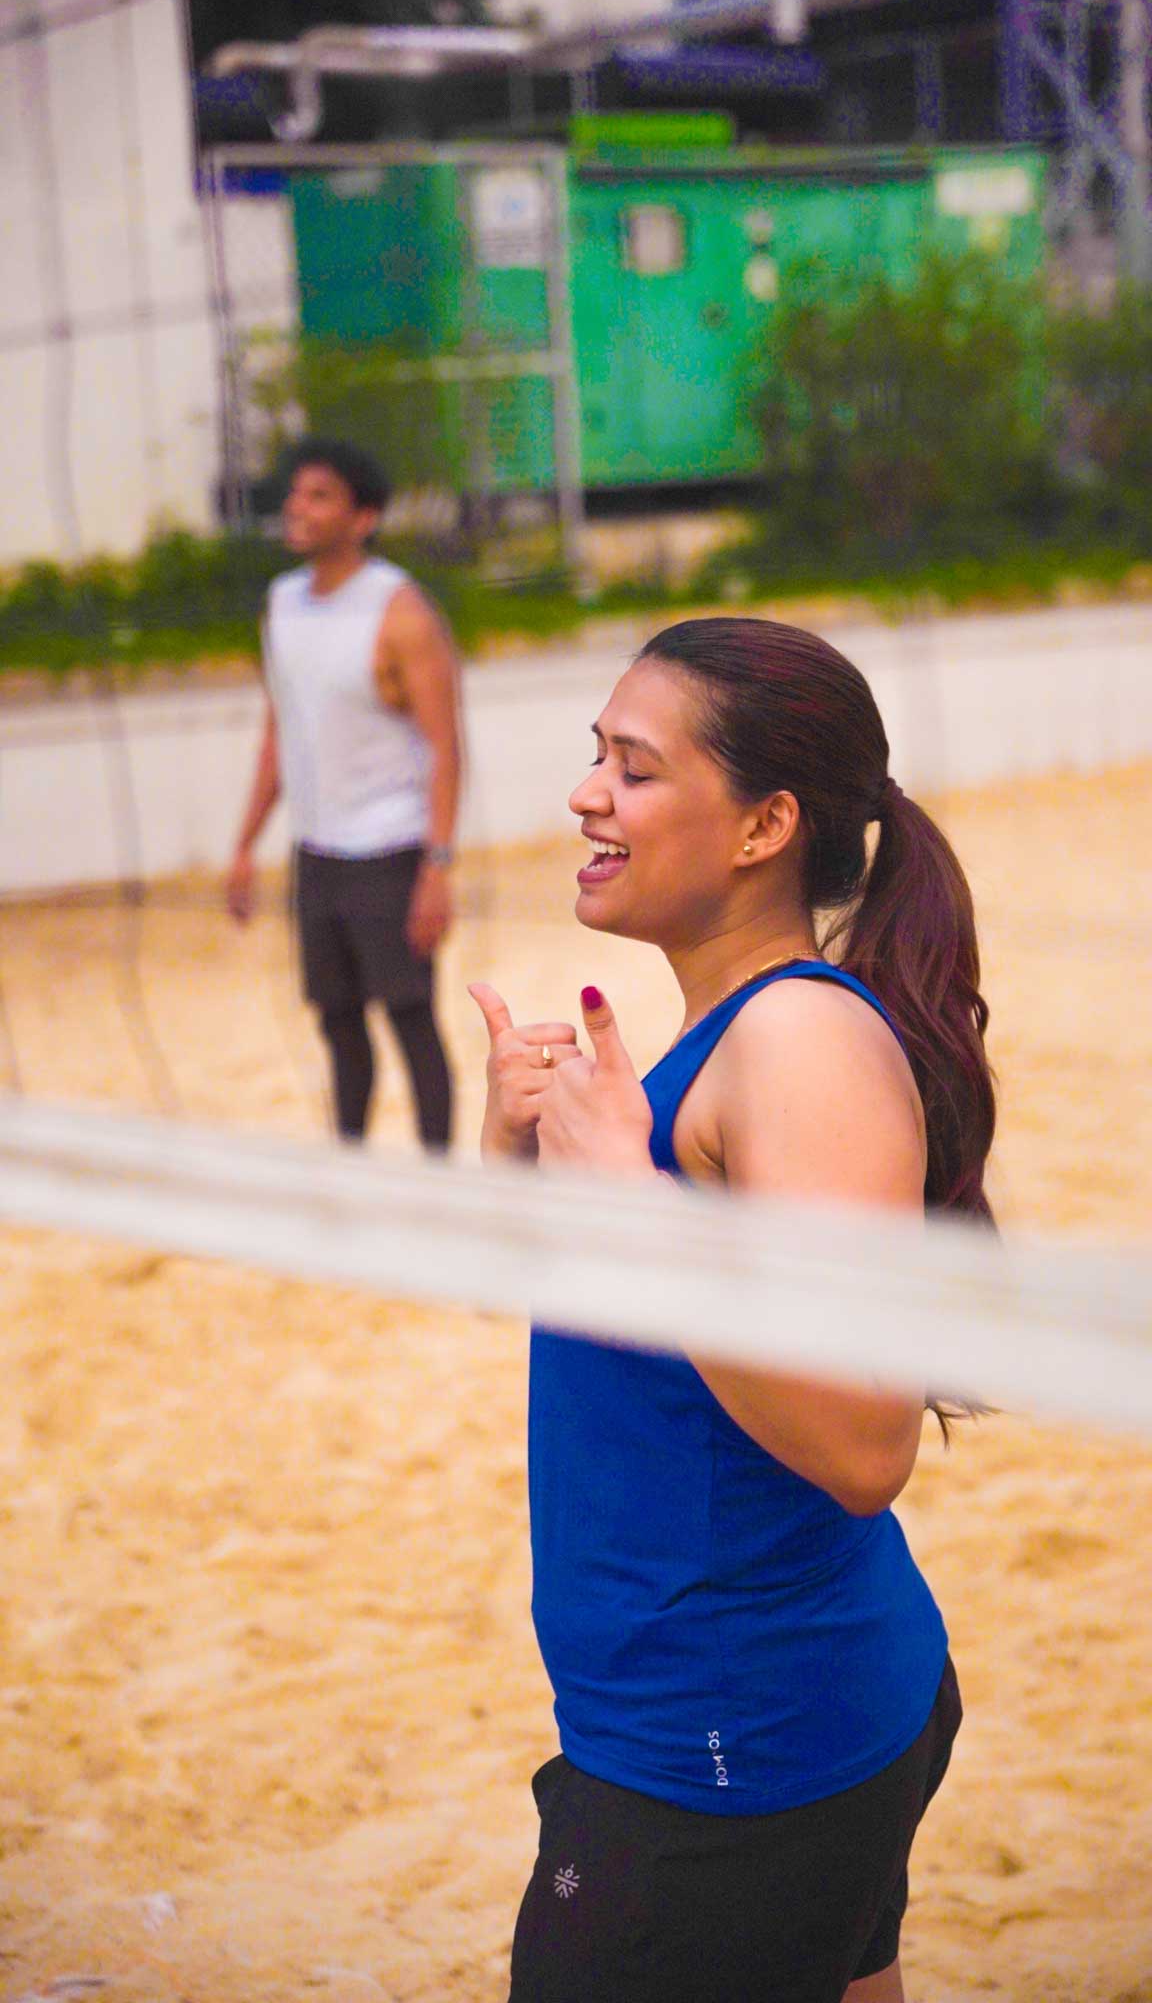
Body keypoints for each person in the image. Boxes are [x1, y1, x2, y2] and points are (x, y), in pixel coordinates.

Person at [471, 617, 995, 2003]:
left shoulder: (800, 1039)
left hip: (730, 1753)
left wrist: (638, 1220)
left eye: (633, 769)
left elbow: (865, 1445)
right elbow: (622, 1351)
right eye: (596, 758)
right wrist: (518, 1156)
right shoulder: (711, 1045)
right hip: (756, 1710)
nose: (588, 793)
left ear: (766, 824)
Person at [227, 438, 460, 1148]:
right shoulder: (283, 603)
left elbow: (445, 746)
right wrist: (243, 846)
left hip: (390, 848)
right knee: (336, 1022)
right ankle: (349, 1168)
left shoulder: (400, 610)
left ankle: (441, 1176)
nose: (298, 506)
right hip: (317, 851)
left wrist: (438, 867)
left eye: (320, 495)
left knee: (411, 1019)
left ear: (364, 518)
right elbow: (279, 733)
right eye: (296, 492)